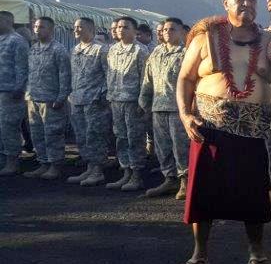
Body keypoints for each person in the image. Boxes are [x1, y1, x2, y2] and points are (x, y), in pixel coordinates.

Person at [177, 0, 271, 264]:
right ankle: (200, 252)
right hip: (209, 128)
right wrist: (184, 114)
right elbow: (186, 78)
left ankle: (256, 252)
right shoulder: (206, 37)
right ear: (226, 3)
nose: (246, 3)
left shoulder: (267, 36)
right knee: (203, 194)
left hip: (253, 131)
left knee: (253, 196)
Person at [139, 18, 189, 199]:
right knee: (162, 146)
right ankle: (170, 179)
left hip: (178, 108)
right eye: (165, 29)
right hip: (158, 106)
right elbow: (147, 79)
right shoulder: (156, 53)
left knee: (181, 146)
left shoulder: (186, 53)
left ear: (182, 32)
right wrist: (143, 101)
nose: (167, 32)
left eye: (172, 29)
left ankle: (185, 181)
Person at [105, 17, 151, 192]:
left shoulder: (140, 51)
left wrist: (143, 102)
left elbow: (145, 79)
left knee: (135, 138)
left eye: (125, 27)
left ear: (134, 31)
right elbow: (110, 75)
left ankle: (137, 175)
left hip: (133, 101)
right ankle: (125, 172)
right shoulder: (113, 50)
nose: (120, 30)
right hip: (116, 100)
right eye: (118, 27)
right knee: (121, 137)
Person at [23, 17, 71, 180]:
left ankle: (55, 165)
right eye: (35, 26)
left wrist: (61, 97)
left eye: (41, 27)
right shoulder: (34, 48)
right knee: (37, 133)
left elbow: (65, 75)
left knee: (53, 134)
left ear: (51, 30)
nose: (37, 29)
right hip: (34, 98)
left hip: (51, 99)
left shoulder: (58, 50)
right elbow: (30, 72)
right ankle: (43, 162)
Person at [67, 17, 112, 186]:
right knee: (81, 136)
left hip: (94, 101)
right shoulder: (75, 49)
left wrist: (102, 95)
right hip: (77, 99)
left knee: (95, 135)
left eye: (80, 27)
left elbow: (109, 75)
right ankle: (89, 167)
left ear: (90, 29)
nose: (76, 30)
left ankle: (98, 170)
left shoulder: (100, 50)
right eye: (75, 27)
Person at [0, 11, 29, 176]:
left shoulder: (17, 41)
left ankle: (12, 161)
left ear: (6, 21)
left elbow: (22, 67)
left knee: (8, 126)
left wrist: (19, 88)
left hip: (10, 92)